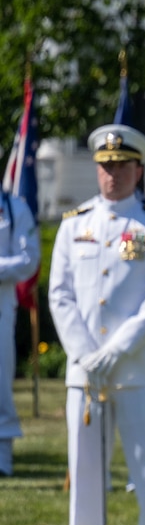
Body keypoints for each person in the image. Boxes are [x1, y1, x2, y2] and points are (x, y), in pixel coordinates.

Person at [48, 124, 145, 525]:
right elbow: (60, 296)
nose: (113, 174)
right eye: (106, 166)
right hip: (85, 374)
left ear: (138, 169)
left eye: (122, 165)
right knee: (85, 475)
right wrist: (86, 353)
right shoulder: (74, 225)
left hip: (138, 369)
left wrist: (118, 348)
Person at [0, 184, 39, 476]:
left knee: (0, 384)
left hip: (2, 305)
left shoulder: (15, 208)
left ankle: (2, 459)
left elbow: (28, 259)